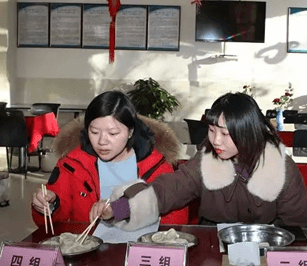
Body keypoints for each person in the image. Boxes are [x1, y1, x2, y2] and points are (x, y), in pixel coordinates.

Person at [88, 92, 307, 230]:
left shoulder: (280, 167)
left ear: (246, 132)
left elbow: (294, 225)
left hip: (263, 244)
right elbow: (168, 190)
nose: (216, 140)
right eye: (212, 130)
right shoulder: (208, 159)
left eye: (225, 133)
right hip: (212, 242)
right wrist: (117, 208)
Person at [31, 91, 190, 227]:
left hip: (140, 248)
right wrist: (50, 206)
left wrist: (120, 210)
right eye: (94, 132)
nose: (102, 141)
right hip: (88, 249)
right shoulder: (72, 164)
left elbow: (176, 219)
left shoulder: (156, 165)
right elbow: (51, 224)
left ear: (130, 132)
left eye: (113, 133)